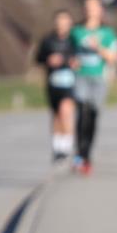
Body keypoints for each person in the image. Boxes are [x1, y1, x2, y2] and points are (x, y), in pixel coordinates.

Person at [70, 0, 117, 175]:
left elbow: (113, 57)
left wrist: (98, 47)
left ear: (100, 10)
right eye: (86, 6)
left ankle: (87, 154)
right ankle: (79, 154)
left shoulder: (107, 33)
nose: (89, 10)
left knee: (92, 115)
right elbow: (68, 52)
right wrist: (71, 61)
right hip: (81, 77)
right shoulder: (75, 31)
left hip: (98, 78)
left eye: (93, 7)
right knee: (81, 112)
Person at [35, 9, 77, 162]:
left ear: (70, 23)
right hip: (53, 82)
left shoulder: (74, 39)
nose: (62, 25)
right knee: (56, 115)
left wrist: (70, 61)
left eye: (65, 22)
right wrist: (48, 59)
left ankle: (67, 146)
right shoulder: (48, 40)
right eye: (59, 21)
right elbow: (38, 58)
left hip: (70, 82)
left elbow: (79, 57)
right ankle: (57, 146)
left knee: (66, 111)